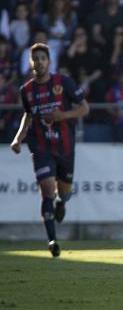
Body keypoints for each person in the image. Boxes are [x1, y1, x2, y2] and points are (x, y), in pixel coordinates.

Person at [10, 42, 89, 257]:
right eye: (35, 58)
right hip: (41, 146)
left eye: (43, 58)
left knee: (64, 194)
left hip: (64, 147)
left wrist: (62, 115)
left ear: (49, 61)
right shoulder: (26, 90)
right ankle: (52, 239)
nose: (39, 62)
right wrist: (19, 138)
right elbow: (28, 115)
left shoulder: (63, 82)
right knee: (46, 190)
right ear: (30, 62)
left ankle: (61, 202)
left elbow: (84, 108)